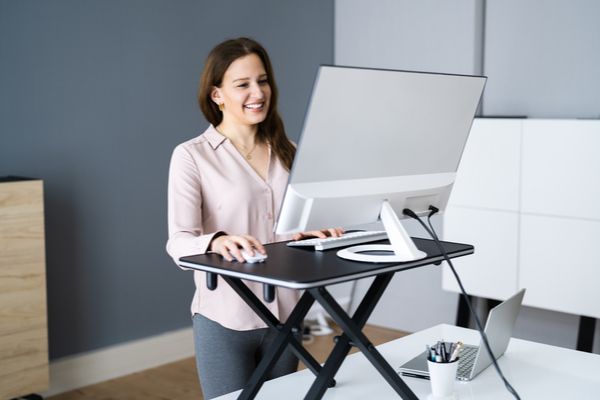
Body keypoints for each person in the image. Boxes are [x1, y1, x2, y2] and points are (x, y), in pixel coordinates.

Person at [166, 37, 343, 399]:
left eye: (262, 80)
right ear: (217, 95)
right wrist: (215, 240)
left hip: (288, 316)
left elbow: (290, 229)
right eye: (242, 84)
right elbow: (178, 242)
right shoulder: (191, 157)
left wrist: (310, 234)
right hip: (226, 318)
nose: (257, 92)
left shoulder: (289, 150)